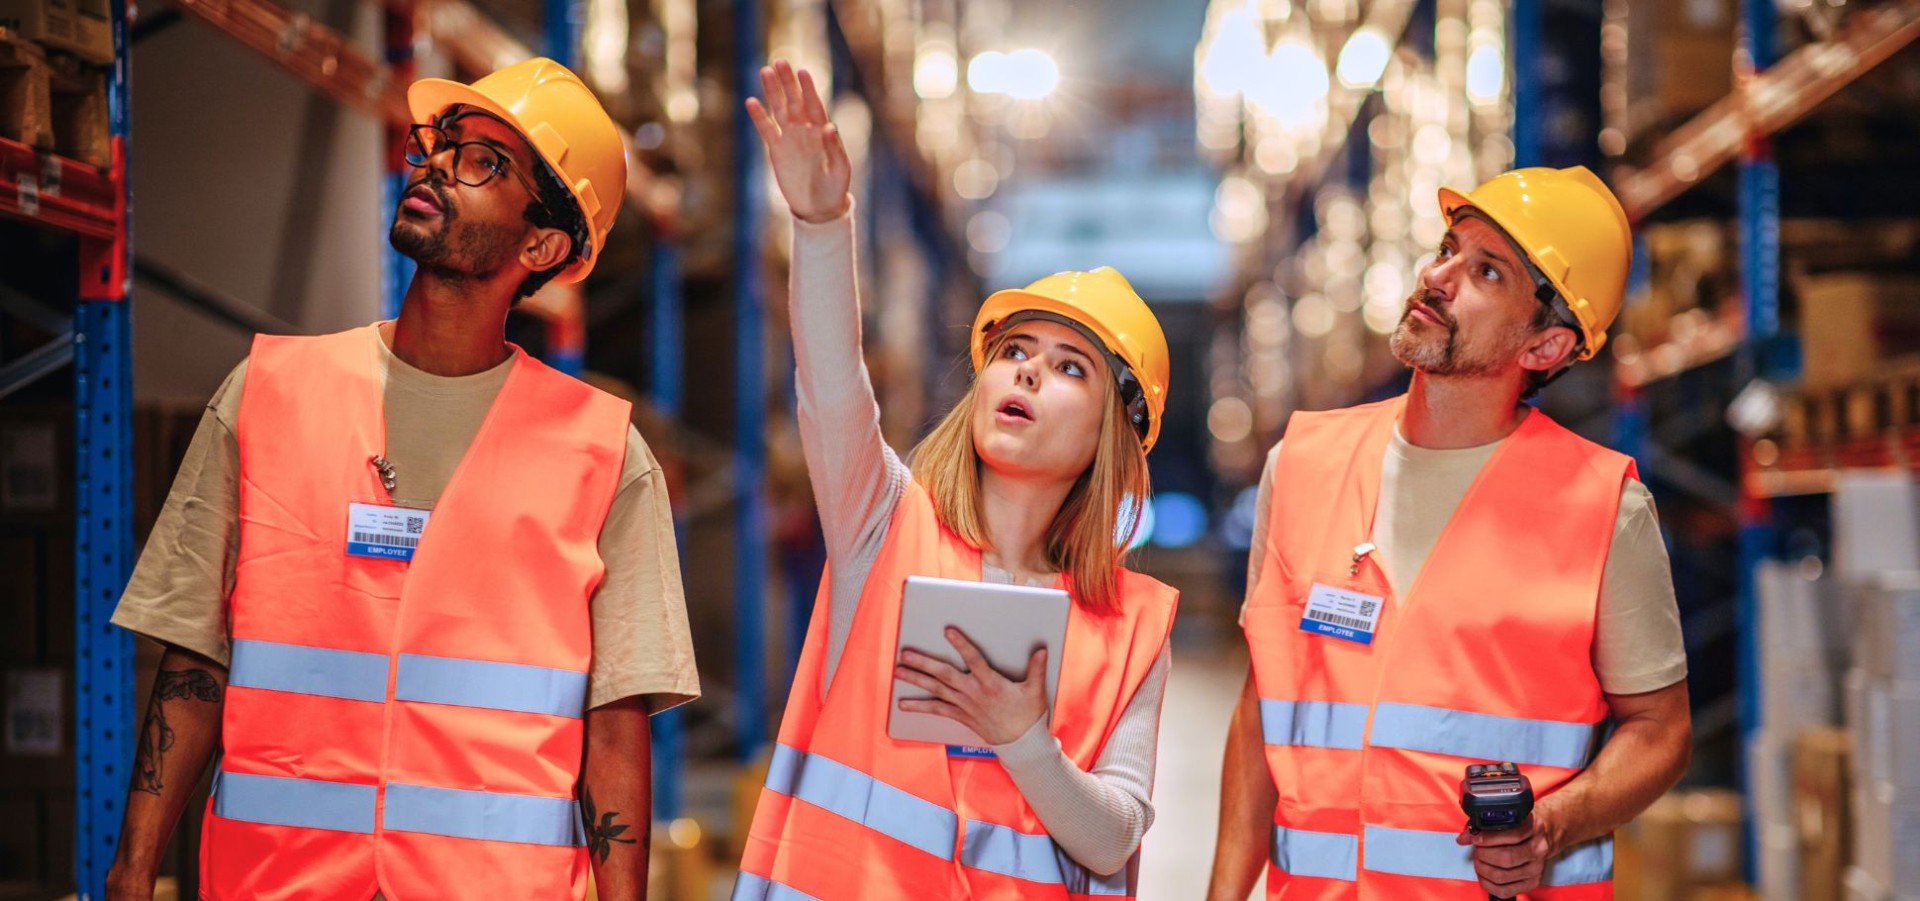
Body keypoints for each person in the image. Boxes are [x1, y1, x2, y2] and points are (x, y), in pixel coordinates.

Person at [103, 59, 699, 901]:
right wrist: (131, 875)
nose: (435, 167)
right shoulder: (269, 393)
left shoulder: (604, 456)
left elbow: (614, 725)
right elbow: (192, 660)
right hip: (281, 884)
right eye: (440, 144)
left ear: (542, 244)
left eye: (484, 162)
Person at [731, 61, 1179, 900]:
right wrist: (823, 222)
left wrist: (1025, 738)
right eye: (1013, 352)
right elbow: (831, 390)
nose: (1028, 374)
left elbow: (1113, 838)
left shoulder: (1132, 626)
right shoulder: (886, 525)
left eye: (1068, 366)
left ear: (1113, 436)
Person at [1206, 166, 1692, 900]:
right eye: (1448, 248)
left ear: (1545, 348)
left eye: (1486, 271)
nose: (1437, 276)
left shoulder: (1605, 508)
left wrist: (1555, 824)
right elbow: (1261, 710)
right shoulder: (1301, 462)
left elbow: (1661, 728)